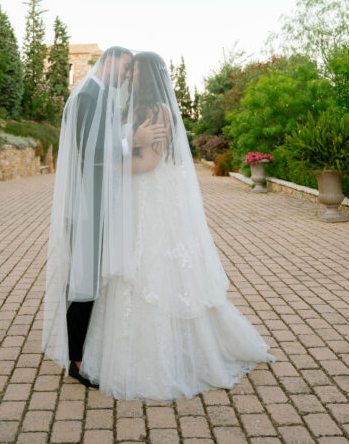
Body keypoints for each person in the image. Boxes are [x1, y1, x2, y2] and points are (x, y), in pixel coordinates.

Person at [79, 50, 276, 400]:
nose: (129, 77)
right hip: (134, 201)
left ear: (149, 75)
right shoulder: (133, 110)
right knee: (131, 269)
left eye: (134, 71)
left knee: (152, 270)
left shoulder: (158, 112)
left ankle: (168, 358)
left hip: (150, 199)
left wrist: (108, 166)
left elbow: (149, 163)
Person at [41, 46, 166, 387]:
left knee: (88, 277)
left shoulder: (96, 94)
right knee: (84, 279)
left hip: (93, 203)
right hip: (86, 206)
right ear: (108, 60)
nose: (126, 75)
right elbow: (89, 152)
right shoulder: (87, 97)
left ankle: (78, 352)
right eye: (125, 68)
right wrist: (133, 141)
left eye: (131, 71)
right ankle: (77, 361)